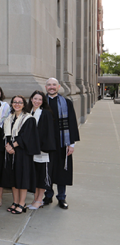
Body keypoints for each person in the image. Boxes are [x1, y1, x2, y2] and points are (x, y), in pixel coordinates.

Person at [44, 78, 80, 209]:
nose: (51, 87)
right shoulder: (42, 102)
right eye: (49, 85)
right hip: (46, 143)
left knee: (62, 170)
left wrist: (71, 144)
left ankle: (61, 197)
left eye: (54, 85)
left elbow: (72, 123)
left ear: (58, 87)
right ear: (46, 86)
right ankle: (48, 195)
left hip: (62, 142)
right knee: (47, 169)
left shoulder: (66, 102)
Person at [3, 96, 40, 214]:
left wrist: (12, 146)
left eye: (20, 102)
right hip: (11, 152)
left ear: (24, 104)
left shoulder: (29, 119)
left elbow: (26, 136)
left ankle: (22, 203)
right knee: (13, 178)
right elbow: (6, 135)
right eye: (15, 102)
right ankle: (15, 201)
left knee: (22, 177)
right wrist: (8, 147)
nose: (17, 104)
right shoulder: (9, 118)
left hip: (23, 153)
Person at [26, 91, 56, 210]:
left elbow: (48, 133)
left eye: (40, 99)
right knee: (35, 176)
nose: (37, 101)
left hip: (42, 150)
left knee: (42, 175)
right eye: (35, 99)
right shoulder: (28, 113)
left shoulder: (46, 114)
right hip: (30, 150)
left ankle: (39, 199)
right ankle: (34, 199)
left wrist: (43, 147)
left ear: (43, 101)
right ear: (31, 99)